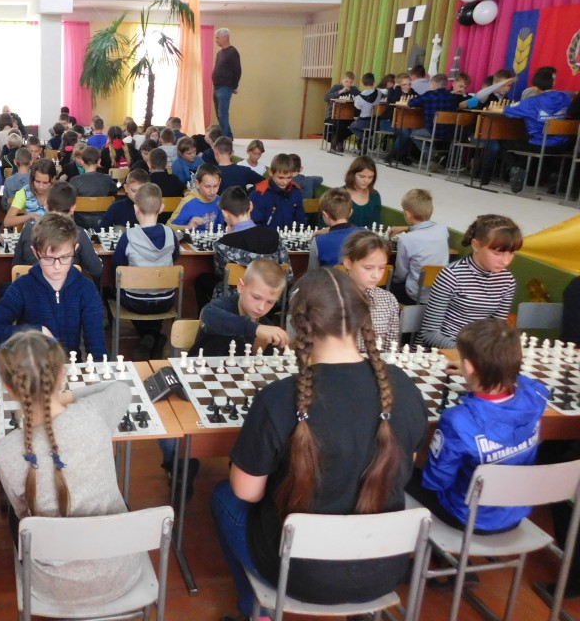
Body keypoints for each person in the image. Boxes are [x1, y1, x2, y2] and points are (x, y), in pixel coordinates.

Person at [212, 269, 428, 620]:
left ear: (299, 324)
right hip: (384, 569)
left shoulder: (279, 398)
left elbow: (246, 492)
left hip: (296, 574)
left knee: (223, 496)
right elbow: (406, 464)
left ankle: (257, 610)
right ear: (362, 318)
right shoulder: (403, 387)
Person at [0, 330, 143, 610]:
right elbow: (120, 388)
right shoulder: (94, 414)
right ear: (62, 373)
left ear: (8, 388)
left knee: (18, 517)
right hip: (122, 574)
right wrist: (66, 396)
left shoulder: (5, 451)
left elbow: (22, 513)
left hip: (53, 589)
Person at [410, 319, 548, 533]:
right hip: (515, 512)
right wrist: (487, 371)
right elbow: (527, 382)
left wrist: (478, 372)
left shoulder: (458, 420)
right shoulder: (535, 396)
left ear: (468, 366)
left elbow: (437, 481)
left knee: (404, 472)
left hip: (467, 516)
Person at [0, 213, 106, 358]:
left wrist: (99, 368)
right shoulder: (22, 287)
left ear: (75, 249)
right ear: (35, 252)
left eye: (65, 257)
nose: (57, 266)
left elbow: (97, 348)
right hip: (32, 365)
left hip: (70, 365)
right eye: (48, 258)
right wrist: (36, 332)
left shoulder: (86, 289)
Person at [420, 215, 521, 349]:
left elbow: (497, 329)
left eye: (512, 253)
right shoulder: (451, 276)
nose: (506, 261)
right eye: (497, 253)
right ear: (476, 245)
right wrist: (468, 353)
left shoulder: (507, 281)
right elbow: (429, 333)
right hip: (447, 349)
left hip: (478, 350)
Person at [112, 183, 180, 360]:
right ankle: (153, 336)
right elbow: (175, 257)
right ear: (161, 208)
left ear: (135, 208)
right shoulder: (171, 234)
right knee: (154, 292)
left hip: (135, 301)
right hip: (166, 300)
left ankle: (149, 336)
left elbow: (118, 267)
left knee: (112, 290)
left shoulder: (128, 237)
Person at [195, 186, 291, 307]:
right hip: (270, 298)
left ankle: (208, 317)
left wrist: (229, 235)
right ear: (250, 206)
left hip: (236, 297)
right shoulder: (274, 236)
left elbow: (222, 275)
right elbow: (288, 272)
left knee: (202, 280)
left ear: (225, 213)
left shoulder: (223, 243)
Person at [194, 258, 289, 357]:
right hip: (200, 365)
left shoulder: (266, 327)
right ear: (241, 287)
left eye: (270, 302)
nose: (261, 307)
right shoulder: (222, 307)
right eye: (256, 297)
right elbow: (207, 314)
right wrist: (255, 329)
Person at [13, 182, 102, 283]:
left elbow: (16, 268)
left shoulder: (27, 230)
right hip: (68, 291)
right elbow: (96, 270)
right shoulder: (79, 233)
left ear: (46, 205)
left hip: (31, 290)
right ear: (73, 208)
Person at [504, 68, 576, 192]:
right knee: (539, 150)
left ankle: (515, 169)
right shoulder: (565, 97)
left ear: (535, 87)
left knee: (507, 144)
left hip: (540, 144)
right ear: (552, 83)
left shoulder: (531, 102)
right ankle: (553, 174)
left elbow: (507, 110)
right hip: (563, 143)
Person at [341, 231, 401, 352]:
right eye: (368, 268)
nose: (376, 275)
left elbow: (390, 347)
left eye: (382, 268)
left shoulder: (388, 300)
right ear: (348, 263)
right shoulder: (329, 298)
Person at [389, 188, 449, 305]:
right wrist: (407, 228)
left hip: (415, 296)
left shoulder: (406, 240)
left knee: (387, 282)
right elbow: (425, 230)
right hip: (439, 293)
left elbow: (400, 274)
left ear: (407, 214)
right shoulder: (443, 230)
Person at [404, 73, 459, 162]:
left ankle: (434, 156)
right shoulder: (451, 96)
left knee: (413, 134)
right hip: (450, 132)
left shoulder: (429, 95)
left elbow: (411, 103)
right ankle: (435, 157)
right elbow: (457, 106)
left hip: (433, 131)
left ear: (433, 84)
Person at [249, 153, 306, 229]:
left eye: (289, 177)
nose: (285, 182)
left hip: (289, 235)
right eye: (281, 178)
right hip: (266, 235)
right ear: (271, 172)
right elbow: (255, 224)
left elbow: (300, 220)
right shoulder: (259, 194)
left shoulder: (296, 192)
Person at [169, 163, 224, 231]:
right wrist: (188, 227)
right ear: (197, 184)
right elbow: (169, 227)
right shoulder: (188, 201)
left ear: (220, 182)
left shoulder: (219, 201)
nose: (212, 191)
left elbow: (220, 227)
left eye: (215, 186)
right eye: (207, 186)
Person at [4, 158, 55, 229]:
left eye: (45, 183)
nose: (41, 186)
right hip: (31, 233)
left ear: (53, 179)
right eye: (37, 181)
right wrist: (30, 216)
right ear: (32, 179)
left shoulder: (59, 193)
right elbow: (7, 222)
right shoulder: (24, 192)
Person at [212, 28, 242, 138]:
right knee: (219, 113)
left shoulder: (232, 52)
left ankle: (224, 138)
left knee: (222, 113)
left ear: (225, 38)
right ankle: (228, 135)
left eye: (217, 38)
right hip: (216, 86)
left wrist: (234, 86)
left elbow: (237, 70)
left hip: (225, 87)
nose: (216, 40)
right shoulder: (219, 53)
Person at [347, 72, 384, 150]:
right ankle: (369, 138)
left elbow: (356, 114)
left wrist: (356, 119)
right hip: (376, 122)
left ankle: (365, 138)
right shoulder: (379, 93)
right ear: (374, 82)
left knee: (352, 126)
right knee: (369, 128)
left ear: (363, 83)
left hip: (364, 122)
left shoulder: (359, 97)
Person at [344, 155, 382, 228]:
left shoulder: (375, 195)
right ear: (352, 174)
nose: (366, 181)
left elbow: (377, 225)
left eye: (370, 177)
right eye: (362, 176)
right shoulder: (339, 195)